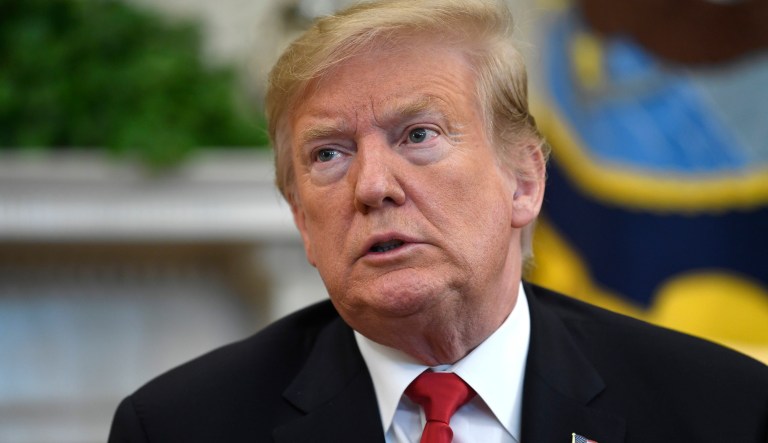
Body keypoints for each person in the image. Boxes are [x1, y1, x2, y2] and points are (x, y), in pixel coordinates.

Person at [108, 1, 768, 442]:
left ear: (525, 181)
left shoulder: (721, 412)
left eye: (418, 134)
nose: (371, 186)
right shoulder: (179, 428)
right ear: (301, 220)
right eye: (329, 154)